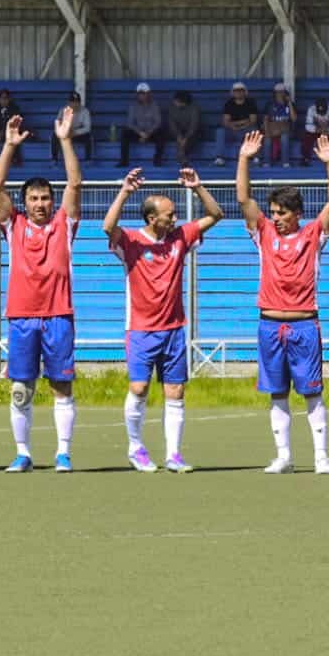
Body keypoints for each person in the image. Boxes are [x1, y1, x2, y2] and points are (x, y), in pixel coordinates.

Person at [102, 166, 224, 473]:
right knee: (140, 388)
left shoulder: (180, 238)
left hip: (173, 330)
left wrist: (198, 187)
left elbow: (215, 214)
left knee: (176, 392)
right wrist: (124, 192)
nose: (175, 218)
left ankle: (173, 455)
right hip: (141, 330)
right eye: (169, 214)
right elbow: (107, 227)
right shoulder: (131, 241)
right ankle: (135, 447)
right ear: (151, 219)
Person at [236, 130, 329, 474]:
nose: (276, 217)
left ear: (297, 213)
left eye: (282, 212)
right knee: (276, 392)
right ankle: (284, 455)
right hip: (269, 324)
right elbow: (243, 200)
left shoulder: (313, 235)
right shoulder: (263, 233)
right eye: (274, 212)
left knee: (311, 392)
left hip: (304, 324)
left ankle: (321, 456)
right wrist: (244, 158)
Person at [0, 108, 82, 473]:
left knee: (62, 386)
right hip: (22, 318)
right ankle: (23, 452)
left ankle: (63, 453)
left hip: (58, 316)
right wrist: (10, 146)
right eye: (34, 199)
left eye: (45, 198)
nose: (40, 204)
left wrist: (64, 139)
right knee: (21, 389)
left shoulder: (64, 224)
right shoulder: (14, 226)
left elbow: (74, 184)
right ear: (24, 202)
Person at [215, 81, 259, 166]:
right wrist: (240, 123)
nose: (238, 92)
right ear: (232, 92)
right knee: (220, 132)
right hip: (232, 130)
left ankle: (255, 157)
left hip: (246, 130)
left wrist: (238, 125)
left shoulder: (250, 103)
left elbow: (253, 121)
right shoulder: (229, 104)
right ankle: (219, 158)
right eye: (236, 90)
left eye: (240, 90)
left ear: (245, 92)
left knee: (254, 130)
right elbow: (225, 122)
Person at [301, 97, 329, 165]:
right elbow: (307, 126)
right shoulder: (311, 109)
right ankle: (305, 158)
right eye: (320, 112)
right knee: (307, 136)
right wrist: (318, 130)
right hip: (317, 132)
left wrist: (328, 130)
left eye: (323, 112)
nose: (321, 114)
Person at [51, 90, 92, 163]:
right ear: (69, 103)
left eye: (77, 102)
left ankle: (88, 159)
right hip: (66, 132)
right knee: (54, 135)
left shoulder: (85, 111)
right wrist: (65, 131)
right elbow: (58, 124)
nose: (75, 104)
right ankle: (54, 159)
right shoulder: (63, 110)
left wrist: (74, 132)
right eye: (73, 102)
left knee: (88, 137)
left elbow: (87, 128)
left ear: (80, 103)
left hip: (77, 133)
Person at [261, 83, 295, 167]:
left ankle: (285, 162)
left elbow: (294, 119)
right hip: (273, 129)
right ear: (274, 93)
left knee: (284, 137)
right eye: (278, 92)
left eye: (282, 92)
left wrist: (289, 102)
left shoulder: (290, 104)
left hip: (286, 130)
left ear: (285, 93)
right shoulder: (269, 105)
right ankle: (266, 163)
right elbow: (265, 120)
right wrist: (267, 131)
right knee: (267, 139)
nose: (280, 94)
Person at [166, 90, 203, 167]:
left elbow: (194, 125)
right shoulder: (172, 108)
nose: (174, 102)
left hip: (193, 133)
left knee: (190, 140)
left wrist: (186, 138)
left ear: (183, 102)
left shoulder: (194, 108)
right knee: (179, 141)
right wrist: (178, 136)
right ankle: (183, 160)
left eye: (177, 101)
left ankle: (182, 158)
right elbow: (171, 124)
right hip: (178, 132)